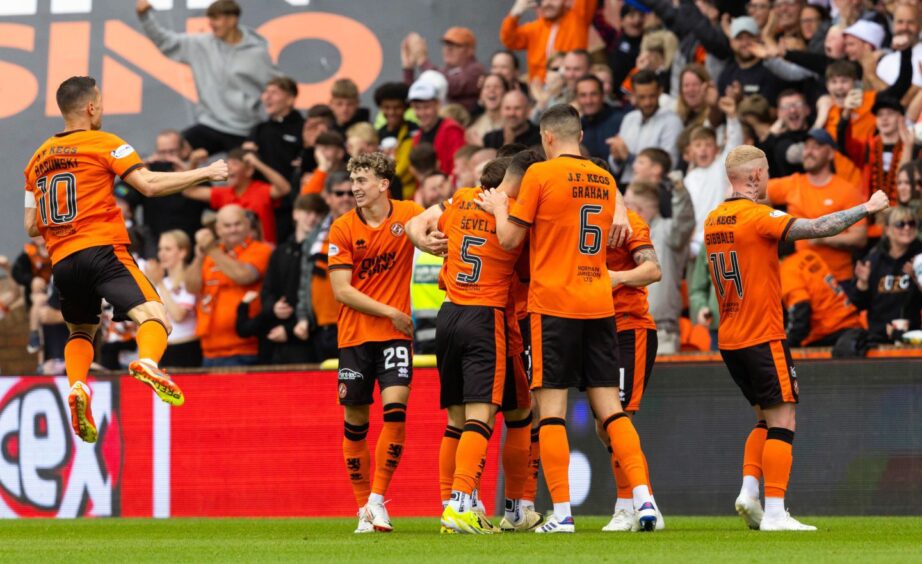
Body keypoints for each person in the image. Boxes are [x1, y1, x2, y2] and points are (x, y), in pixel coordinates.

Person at [477, 104, 654, 534]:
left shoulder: (540, 174)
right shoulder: (605, 179)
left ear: (547, 137)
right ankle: (645, 500)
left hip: (553, 304)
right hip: (599, 302)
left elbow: (509, 238)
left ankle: (561, 514)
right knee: (612, 411)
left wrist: (499, 206)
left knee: (551, 412)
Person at [23, 76, 229, 443]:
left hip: (64, 261)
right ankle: (148, 362)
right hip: (103, 250)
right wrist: (206, 172)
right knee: (155, 314)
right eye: (100, 102)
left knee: (82, 330)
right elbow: (148, 185)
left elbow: (31, 227)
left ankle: (77, 386)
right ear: (91, 107)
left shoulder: (36, 161)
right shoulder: (105, 143)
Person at [705, 145, 888, 532]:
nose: (769, 178)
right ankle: (774, 511)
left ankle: (749, 492)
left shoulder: (713, 219)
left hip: (731, 336)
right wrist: (866, 209)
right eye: (767, 171)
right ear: (754, 177)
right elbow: (819, 228)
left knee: (763, 418)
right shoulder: (757, 217)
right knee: (784, 419)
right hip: (762, 332)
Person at [406, 151, 543, 533]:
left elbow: (420, 221)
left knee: (494, 416)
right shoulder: (517, 214)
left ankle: (469, 506)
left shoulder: (463, 198)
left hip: (449, 314)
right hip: (488, 317)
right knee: (480, 417)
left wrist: (424, 242)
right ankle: (462, 504)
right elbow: (527, 263)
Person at [327, 153, 424, 533]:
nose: (355, 187)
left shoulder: (409, 213)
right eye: (353, 180)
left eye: (362, 179)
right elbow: (341, 290)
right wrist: (390, 311)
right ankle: (362, 508)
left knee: (396, 412)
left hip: (394, 337)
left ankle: (377, 500)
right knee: (356, 424)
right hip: (355, 336)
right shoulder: (342, 228)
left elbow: (432, 233)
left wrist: (436, 242)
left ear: (384, 184)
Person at [135, 0, 277, 154]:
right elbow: (165, 41)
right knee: (174, 153)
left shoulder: (257, 53)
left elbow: (278, 87)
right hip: (210, 124)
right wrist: (145, 17)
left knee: (250, 170)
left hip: (245, 129)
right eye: (210, 18)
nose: (211, 24)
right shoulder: (200, 44)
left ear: (232, 20)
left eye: (216, 18)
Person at [599, 205, 665, 532]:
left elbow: (653, 270)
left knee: (618, 418)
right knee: (604, 425)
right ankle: (645, 498)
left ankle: (626, 506)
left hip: (629, 328)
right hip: (596, 331)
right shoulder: (574, 218)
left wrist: (618, 278)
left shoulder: (628, 223)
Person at [767, 129, 867, 282]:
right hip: (802, 280)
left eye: (816, 147)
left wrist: (823, 237)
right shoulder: (794, 183)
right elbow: (753, 193)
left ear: (831, 153)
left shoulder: (847, 190)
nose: (808, 151)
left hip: (838, 280)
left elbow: (860, 238)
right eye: (806, 146)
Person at [186, 205, 272, 367]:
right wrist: (198, 257)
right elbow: (191, 287)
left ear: (247, 225)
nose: (233, 230)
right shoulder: (212, 253)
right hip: (209, 349)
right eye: (227, 226)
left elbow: (244, 276)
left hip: (244, 349)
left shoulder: (261, 250)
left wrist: (211, 249)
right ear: (218, 229)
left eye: (237, 224)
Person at [624, 179, 695, 354]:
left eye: (626, 205)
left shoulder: (669, 232)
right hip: (628, 329)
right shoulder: (625, 236)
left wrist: (679, 191)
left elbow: (684, 222)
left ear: (638, 209)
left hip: (662, 333)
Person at [294, 172, 357, 363]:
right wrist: (303, 317)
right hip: (324, 326)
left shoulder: (369, 227)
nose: (345, 198)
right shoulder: (315, 234)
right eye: (339, 193)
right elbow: (306, 278)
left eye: (350, 193)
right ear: (328, 197)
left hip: (358, 323)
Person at [122, 129, 209, 249]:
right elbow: (121, 192)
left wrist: (187, 174)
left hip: (189, 244)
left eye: (171, 152)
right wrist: (136, 175)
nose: (167, 157)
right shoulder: (149, 172)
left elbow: (213, 201)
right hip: (156, 245)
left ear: (183, 151)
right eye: (162, 152)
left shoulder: (193, 173)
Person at [183, 148, 291, 244]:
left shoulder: (261, 190)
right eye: (227, 164)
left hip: (263, 255)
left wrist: (257, 163)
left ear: (249, 170)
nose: (228, 168)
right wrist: (193, 163)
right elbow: (189, 191)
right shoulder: (223, 193)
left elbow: (284, 188)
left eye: (234, 164)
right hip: (233, 256)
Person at [846, 206, 922, 344]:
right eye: (900, 224)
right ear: (888, 230)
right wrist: (862, 283)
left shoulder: (919, 258)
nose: (907, 228)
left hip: (911, 337)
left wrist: (918, 279)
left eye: (911, 223)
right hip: (878, 338)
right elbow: (858, 304)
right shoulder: (874, 260)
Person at [243, 76, 305, 242]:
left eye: (274, 93)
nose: (267, 97)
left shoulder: (303, 128)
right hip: (267, 205)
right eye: (265, 92)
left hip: (296, 204)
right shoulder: (259, 130)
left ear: (290, 99)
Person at [684, 95, 743, 258]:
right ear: (690, 151)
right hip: (693, 242)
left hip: (719, 238)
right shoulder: (688, 178)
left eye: (708, 145)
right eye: (698, 145)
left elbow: (734, 144)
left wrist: (731, 118)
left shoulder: (720, 167)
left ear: (716, 149)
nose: (703, 150)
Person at [608, 70, 683, 183]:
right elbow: (615, 166)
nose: (647, 102)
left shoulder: (672, 121)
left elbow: (668, 165)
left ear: (660, 92)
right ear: (633, 94)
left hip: (654, 189)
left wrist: (628, 157)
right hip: (626, 186)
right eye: (642, 97)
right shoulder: (629, 118)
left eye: (652, 96)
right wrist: (616, 155)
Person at [780, 248, 863, 348]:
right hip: (850, 323)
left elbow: (800, 312)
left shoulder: (787, 269)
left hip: (830, 332)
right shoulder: (809, 254)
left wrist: (786, 345)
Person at [500, 0, 596, 82]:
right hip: (539, 93)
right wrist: (514, 15)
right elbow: (509, 40)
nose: (548, 3)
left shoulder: (577, 19)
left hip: (570, 88)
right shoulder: (534, 28)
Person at [145, 230, 202, 367]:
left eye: (168, 249)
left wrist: (159, 283)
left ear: (183, 252)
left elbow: (178, 315)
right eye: (160, 249)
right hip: (163, 349)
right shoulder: (162, 282)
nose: (161, 254)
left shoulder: (190, 280)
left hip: (186, 348)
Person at [401, 27, 486, 112]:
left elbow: (449, 85)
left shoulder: (476, 69)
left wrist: (422, 61)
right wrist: (408, 68)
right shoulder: (443, 71)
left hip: (464, 123)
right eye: (446, 44)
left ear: (470, 50)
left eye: (455, 45)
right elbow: (416, 95)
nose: (448, 49)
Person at [409, 80, 466, 178]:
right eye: (417, 108)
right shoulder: (417, 137)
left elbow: (459, 169)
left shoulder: (452, 130)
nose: (422, 113)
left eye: (426, 107)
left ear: (437, 104)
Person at [375, 82, 419, 199]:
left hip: (409, 195)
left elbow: (404, 170)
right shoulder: (377, 134)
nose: (392, 112)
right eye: (387, 107)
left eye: (397, 107)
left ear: (405, 107)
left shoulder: (414, 132)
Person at [577, 75, 626, 160]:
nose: (588, 101)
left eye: (593, 94)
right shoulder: (576, 128)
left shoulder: (621, 121)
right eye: (583, 95)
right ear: (577, 98)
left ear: (602, 95)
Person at [466, 74, 509, 145]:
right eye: (487, 87)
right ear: (481, 95)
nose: (492, 90)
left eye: (497, 87)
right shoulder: (473, 126)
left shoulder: (514, 122)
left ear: (505, 93)